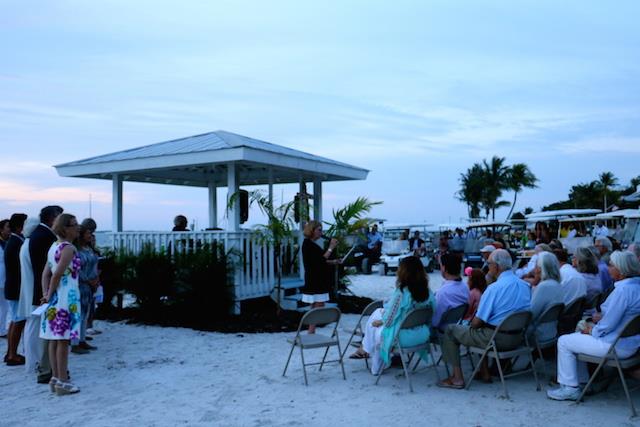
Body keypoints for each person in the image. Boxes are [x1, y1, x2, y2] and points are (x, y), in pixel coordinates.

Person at [546, 251, 640, 401]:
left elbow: (608, 325)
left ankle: (570, 388)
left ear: (621, 270)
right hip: (631, 343)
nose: (608, 268)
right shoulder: (636, 286)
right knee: (575, 338)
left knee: (564, 341)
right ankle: (581, 382)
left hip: (615, 346)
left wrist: (591, 330)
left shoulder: (623, 290)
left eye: (611, 265)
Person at [437, 249, 531, 388]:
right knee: (486, 326)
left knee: (452, 330)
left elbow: (477, 323)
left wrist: (470, 323)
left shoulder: (494, 289)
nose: (487, 266)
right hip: (517, 338)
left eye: (489, 263)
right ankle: (484, 371)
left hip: (496, 340)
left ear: (496, 267)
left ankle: (457, 378)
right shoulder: (525, 285)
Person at [350, 256, 433, 374]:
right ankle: (366, 348)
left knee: (376, 327)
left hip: (401, 339)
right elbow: (429, 316)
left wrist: (382, 321)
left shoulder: (402, 293)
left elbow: (389, 321)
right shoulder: (428, 293)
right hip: (422, 335)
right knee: (378, 314)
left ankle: (374, 363)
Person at [40, 213, 82, 395]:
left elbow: (45, 274)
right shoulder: (68, 248)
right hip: (66, 296)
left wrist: (46, 294)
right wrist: (49, 294)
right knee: (63, 341)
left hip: (56, 297)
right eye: (74, 224)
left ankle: (55, 378)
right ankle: (63, 381)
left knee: (54, 339)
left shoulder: (54, 246)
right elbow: (56, 274)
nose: (78, 227)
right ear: (65, 228)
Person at [30, 205, 64, 383]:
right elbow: (51, 270)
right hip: (51, 291)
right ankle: (47, 369)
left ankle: (49, 369)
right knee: (49, 333)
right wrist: (48, 293)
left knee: (48, 332)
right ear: (52, 218)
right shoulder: (46, 237)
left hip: (46, 289)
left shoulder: (38, 234)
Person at [301, 220, 340, 333]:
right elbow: (320, 260)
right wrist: (331, 247)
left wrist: (334, 261)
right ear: (312, 230)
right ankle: (311, 330)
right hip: (315, 278)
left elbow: (320, 261)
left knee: (316, 304)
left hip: (317, 277)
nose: (321, 232)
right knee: (319, 305)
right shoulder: (308, 244)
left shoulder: (311, 244)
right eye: (319, 230)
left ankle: (311, 329)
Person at [16, 217, 40, 373]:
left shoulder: (25, 244)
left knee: (31, 326)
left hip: (28, 289)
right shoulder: (30, 245)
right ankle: (32, 362)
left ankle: (31, 361)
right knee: (32, 327)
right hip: (32, 290)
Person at [71, 221, 100, 354]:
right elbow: (77, 269)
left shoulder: (89, 249)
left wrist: (96, 279)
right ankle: (75, 343)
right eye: (88, 233)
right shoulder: (76, 250)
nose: (90, 235)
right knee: (78, 314)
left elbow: (94, 265)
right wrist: (88, 281)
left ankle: (82, 339)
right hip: (81, 284)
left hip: (90, 285)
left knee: (86, 313)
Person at [4, 213, 28, 366]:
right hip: (16, 288)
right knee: (18, 322)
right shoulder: (16, 242)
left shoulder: (14, 241)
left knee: (15, 320)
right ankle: (12, 354)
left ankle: (10, 353)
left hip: (13, 287)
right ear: (20, 227)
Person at [529, 252, 564, 343]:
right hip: (552, 331)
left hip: (537, 333)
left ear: (541, 269)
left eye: (536, 266)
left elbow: (531, 314)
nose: (534, 270)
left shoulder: (544, 286)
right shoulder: (558, 284)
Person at [432, 252, 469, 330]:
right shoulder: (465, 287)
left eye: (440, 266)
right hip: (456, 326)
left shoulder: (443, 293)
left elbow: (434, 322)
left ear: (444, 268)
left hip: (442, 330)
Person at [0, 219, 10, 337]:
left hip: (4, 278)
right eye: (7, 227)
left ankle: (2, 329)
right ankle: (1, 330)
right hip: (2, 278)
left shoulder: (7, 242)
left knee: (4, 306)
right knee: (4, 306)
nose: (9, 229)